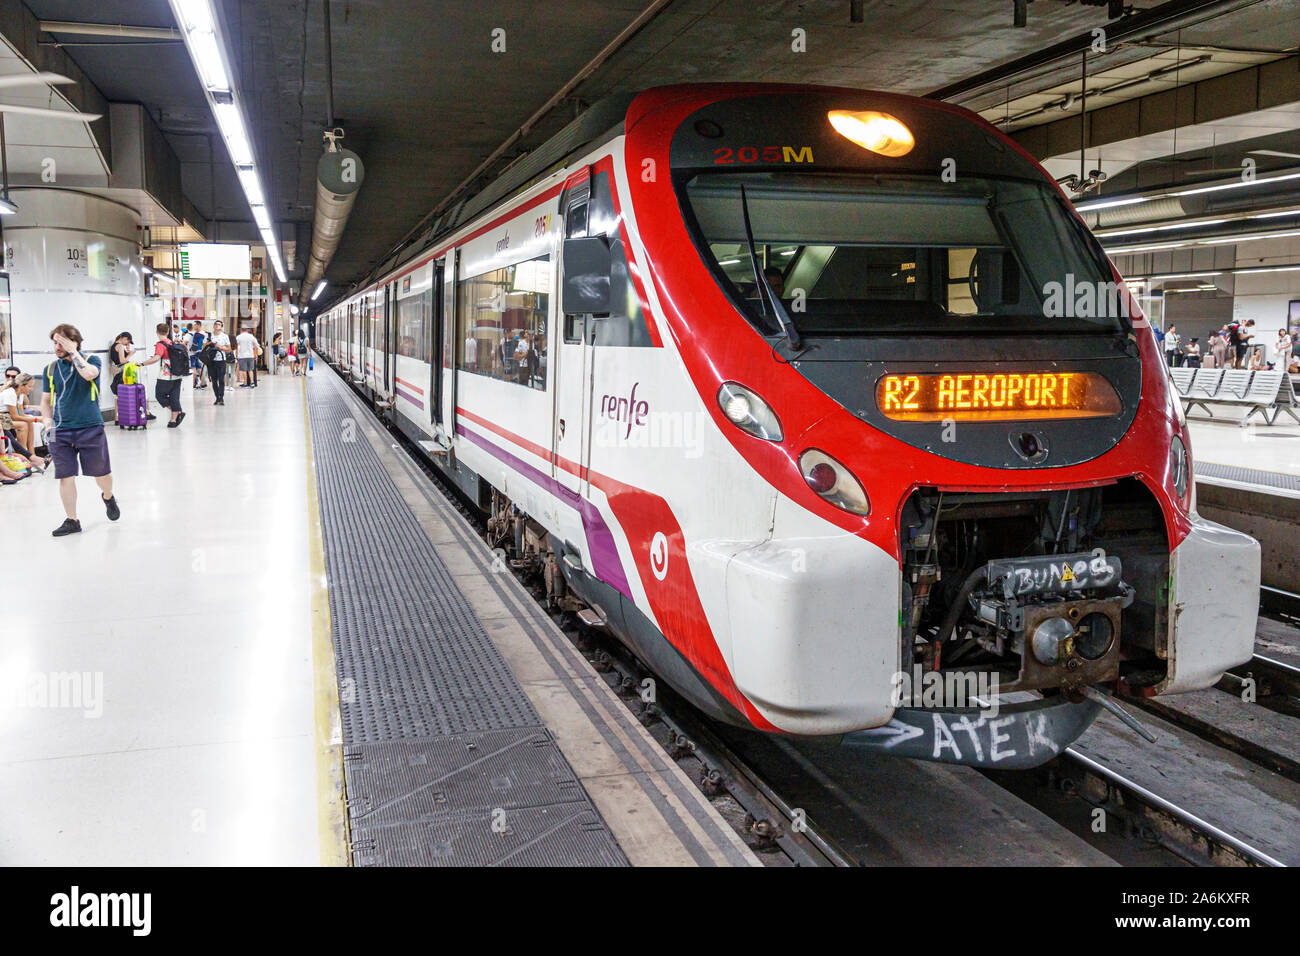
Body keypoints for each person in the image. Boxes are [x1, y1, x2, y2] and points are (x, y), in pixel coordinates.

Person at [39, 324, 120, 536]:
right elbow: (45, 400)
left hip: (90, 427)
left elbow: (89, 375)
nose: (57, 347)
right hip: (60, 430)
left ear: (75, 342)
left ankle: (108, 496)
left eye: (61, 342)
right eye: (55, 343)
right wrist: (47, 423)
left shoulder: (92, 360)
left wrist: (73, 352)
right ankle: (72, 520)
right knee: (65, 476)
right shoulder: (50, 369)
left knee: (102, 474)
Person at [132, 322, 186, 427]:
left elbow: (156, 358)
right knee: (174, 397)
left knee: (159, 395)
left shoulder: (160, 344)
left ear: (157, 332)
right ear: (168, 332)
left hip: (166, 376)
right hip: (177, 374)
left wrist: (142, 363)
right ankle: (173, 419)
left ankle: (177, 412)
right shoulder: (171, 342)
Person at [2, 372, 48, 467]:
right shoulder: (10, 393)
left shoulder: (20, 394)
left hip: (8, 417)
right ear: (21, 385)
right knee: (23, 425)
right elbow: (15, 417)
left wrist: (33, 419)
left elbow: (21, 414)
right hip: (2, 417)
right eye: (29, 386)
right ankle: (24, 457)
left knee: (29, 421)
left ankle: (32, 453)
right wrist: (38, 419)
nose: (31, 389)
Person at [203, 319, 232, 405]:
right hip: (211, 361)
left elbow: (229, 349)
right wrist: (208, 344)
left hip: (221, 360)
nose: (217, 325)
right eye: (215, 324)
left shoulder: (224, 336)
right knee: (214, 380)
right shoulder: (208, 336)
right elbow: (203, 347)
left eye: (219, 324)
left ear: (221, 327)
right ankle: (217, 398)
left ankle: (221, 397)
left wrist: (220, 347)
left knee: (221, 379)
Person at [188, 322, 208, 390]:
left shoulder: (198, 334)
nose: (193, 326)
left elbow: (201, 345)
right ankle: (203, 383)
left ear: (198, 325)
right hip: (199, 354)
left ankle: (193, 384)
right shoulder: (204, 333)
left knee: (193, 368)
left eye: (195, 325)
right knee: (199, 368)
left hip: (194, 354)